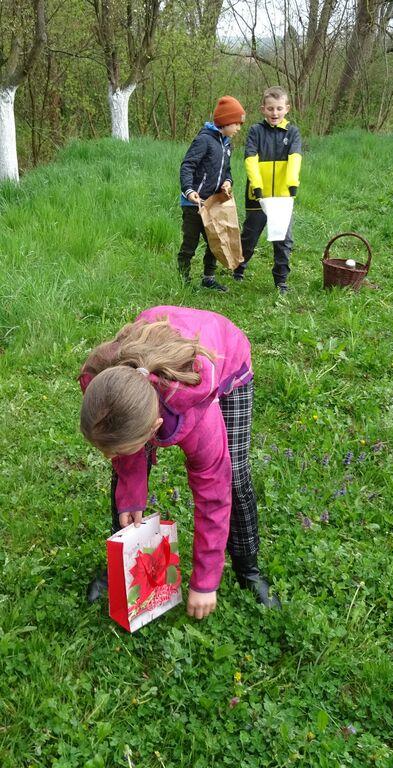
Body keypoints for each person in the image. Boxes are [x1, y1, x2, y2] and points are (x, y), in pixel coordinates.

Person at [79, 305, 280, 618]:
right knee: (122, 458)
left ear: (155, 427)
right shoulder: (103, 381)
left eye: (114, 452)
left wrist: (205, 582)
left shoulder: (200, 422)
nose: (108, 458)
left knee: (234, 474)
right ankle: (122, 560)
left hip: (225, 356)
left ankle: (248, 568)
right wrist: (130, 496)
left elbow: (213, 496)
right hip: (157, 348)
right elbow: (124, 442)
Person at [233, 86, 302, 294]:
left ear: (287, 108)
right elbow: (250, 159)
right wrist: (257, 186)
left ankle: (281, 280)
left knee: (283, 240)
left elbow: (295, 159)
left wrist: (292, 184)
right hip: (258, 195)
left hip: (282, 197)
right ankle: (238, 268)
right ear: (263, 109)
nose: (275, 113)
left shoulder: (293, 132)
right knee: (250, 235)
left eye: (279, 108)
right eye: (270, 108)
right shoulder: (256, 131)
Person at [177, 96, 246, 291]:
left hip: (214, 204)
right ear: (225, 121)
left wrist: (227, 182)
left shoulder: (227, 144)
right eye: (236, 124)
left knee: (215, 242)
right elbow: (187, 165)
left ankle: (208, 278)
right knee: (190, 243)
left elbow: (227, 171)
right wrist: (189, 190)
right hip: (194, 204)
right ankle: (183, 279)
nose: (238, 128)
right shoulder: (204, 140)